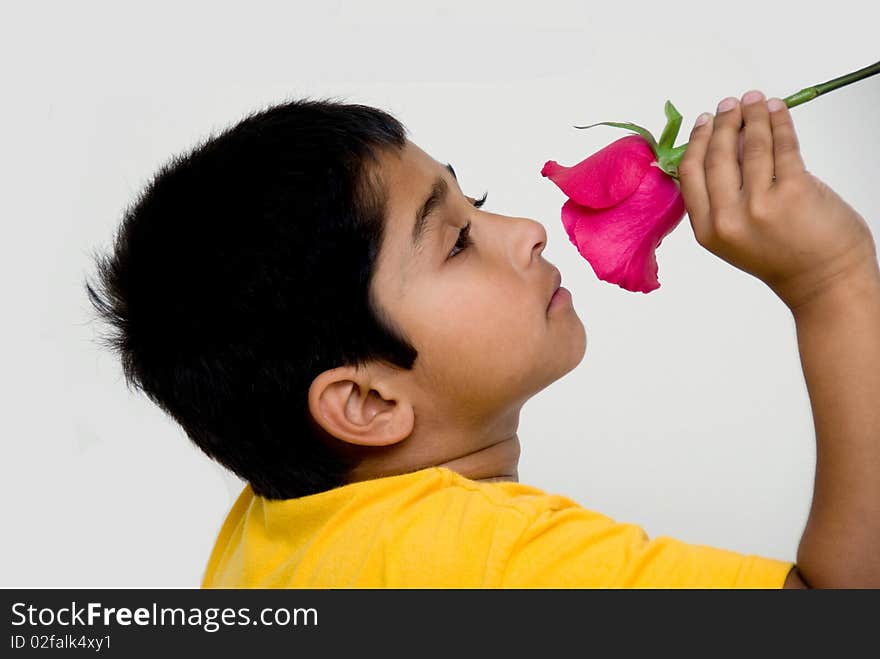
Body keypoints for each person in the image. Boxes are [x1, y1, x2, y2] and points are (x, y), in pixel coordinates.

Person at [85, 90, 880, 588]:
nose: (529, 231)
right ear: (365, 399)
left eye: (477, 201)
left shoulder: (270, 534)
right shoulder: (488, 561)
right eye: (456, 241)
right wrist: (834, 284)